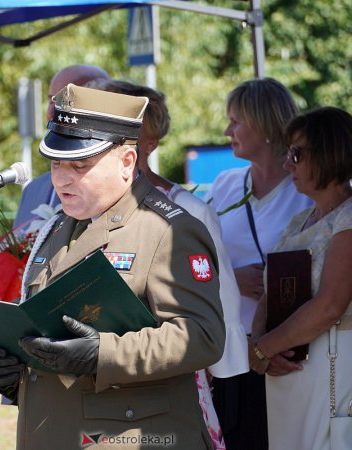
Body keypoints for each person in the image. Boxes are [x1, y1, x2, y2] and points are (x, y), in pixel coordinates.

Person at [0, 83, 226, 449]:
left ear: (127, 162)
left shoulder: (169, 230)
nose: (62, 178)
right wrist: (10, 364)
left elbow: (202, 337)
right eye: (56, 163)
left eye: (80, 164)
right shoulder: (58, 227)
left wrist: (102, 354)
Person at [90, 78, 249, 449]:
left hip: (169, 383)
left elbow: (220, 307)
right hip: (93, 384)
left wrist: (226, 378)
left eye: (130, 126)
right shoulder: (79, 212)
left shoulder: (188, 211)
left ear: (151, 140)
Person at [205, 77, 313, 450]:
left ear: (266, 124)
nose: (227, 130)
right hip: (234, 350)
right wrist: (230, 279)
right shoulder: (225, 184)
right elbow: (201, 258)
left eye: (236, 120)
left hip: (295, 348)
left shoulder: (307, 188)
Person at [249, 106, 352, 450]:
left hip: (333, 368)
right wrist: (258, 349)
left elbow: (330, 305)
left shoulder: (349, 218)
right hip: (287, 372)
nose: (286, 164)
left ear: (329, 152)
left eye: (296, 153)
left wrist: (263, 349)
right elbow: (269, 294)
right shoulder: (298, 222)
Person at [13, 64, 110, 231]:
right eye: (50, 100)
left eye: (63, 100)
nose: (51, 112)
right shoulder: (33, 190)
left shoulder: (114, 189)